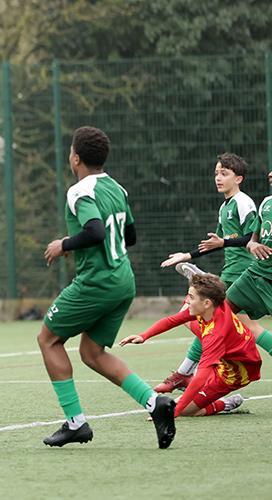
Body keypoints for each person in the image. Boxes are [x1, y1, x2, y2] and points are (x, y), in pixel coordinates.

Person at [38, 126, 177, 448]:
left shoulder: (79, 191)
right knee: (92, 352)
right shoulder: (117, 188)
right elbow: (129, 237)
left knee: (48, 340)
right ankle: (155, 402)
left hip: (97, 282)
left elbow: (97, 232)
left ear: (75, 158)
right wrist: (79, 243)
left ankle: (76, 423)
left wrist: (64, 244)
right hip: (123, 280)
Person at [155, 153, 272, 392]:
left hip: (242, 273)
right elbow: (215, 243)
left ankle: (188, 374)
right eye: (216, 173)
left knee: (199, 316)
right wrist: (186, 255)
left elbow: (249, 238)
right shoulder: (225, 207)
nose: (218, 178)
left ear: (238, 179)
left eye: (224, 173)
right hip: (232, 272)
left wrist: (227, 243)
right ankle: (192, 375)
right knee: (225, 324)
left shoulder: (244, 203)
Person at [119, 273, 258, 417]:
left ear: (207, 303)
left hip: (234, 373)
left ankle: (225, 403)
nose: (187, 301)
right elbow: (172, 320)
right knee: (184, 314)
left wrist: (174, 413)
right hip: (227, 349)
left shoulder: (215, 336)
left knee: (185, 410)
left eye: (191, 297)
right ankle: (184, 376)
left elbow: (200, 379)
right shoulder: (212, 308)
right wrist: (144, 336)